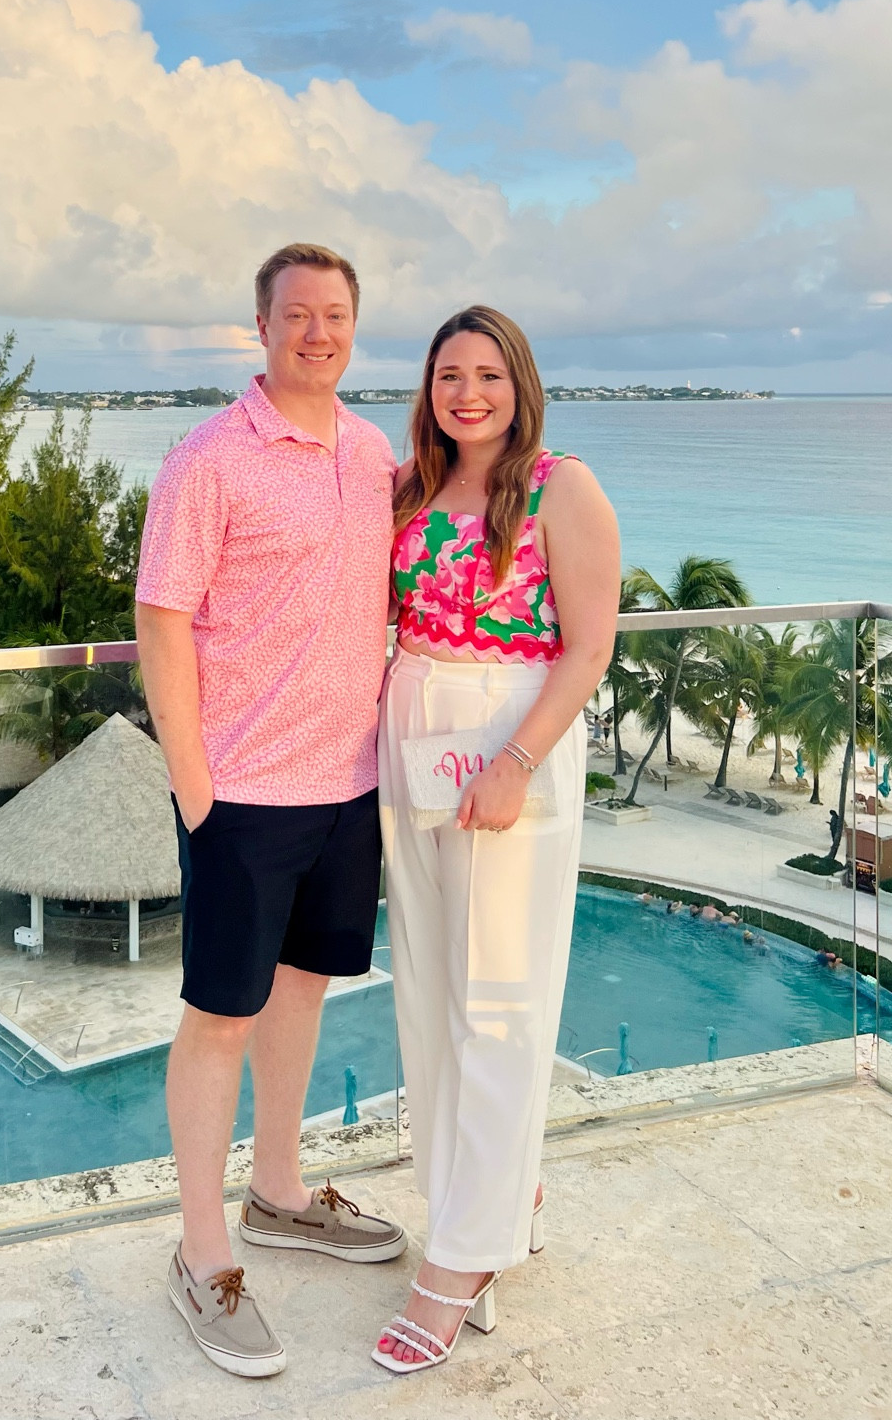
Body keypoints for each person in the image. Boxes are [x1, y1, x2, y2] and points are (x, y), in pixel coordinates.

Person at [135, 242, 407, 1380]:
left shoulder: (372, 451)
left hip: (349, 785)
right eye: (297, 314)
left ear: (353, 326)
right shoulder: (208, 461)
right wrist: (195, 787)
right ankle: (202, 1253)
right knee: (220, 1016)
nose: (317, 332)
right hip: (242, 794)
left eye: (334, 314)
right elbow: (161, 619)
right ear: (261, 326)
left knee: (303, 992)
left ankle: (280, 1193)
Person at [372, 305, 619, 1376]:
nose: (466, 394)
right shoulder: (408, 488)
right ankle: (496, 1198)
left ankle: (464, 1256)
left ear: (520, 384)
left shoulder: (564, 488)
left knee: (499, 999)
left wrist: (515, 760)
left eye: (486, 374)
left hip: (509, 735)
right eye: (448, 375)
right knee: (430, 990)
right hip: (412, 731)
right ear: (427, 388)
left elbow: (589, 647)